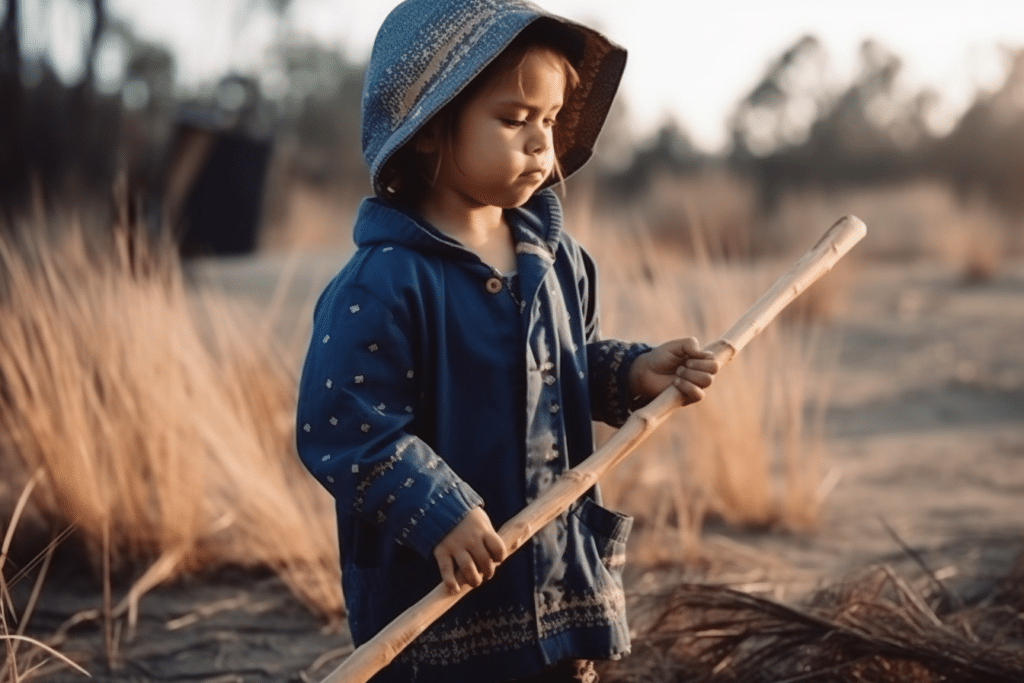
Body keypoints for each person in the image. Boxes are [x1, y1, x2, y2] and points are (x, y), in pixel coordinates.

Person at [295, 1, 719, 681]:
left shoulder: (558, 259)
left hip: (554, 577)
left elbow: (569, 367)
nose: (540, 144)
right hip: (440, 597)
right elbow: (343, 425)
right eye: (514, 119)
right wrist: (436, 510)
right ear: (431, 128)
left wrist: (636, 371)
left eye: (549, 121)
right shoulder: (383, 282)